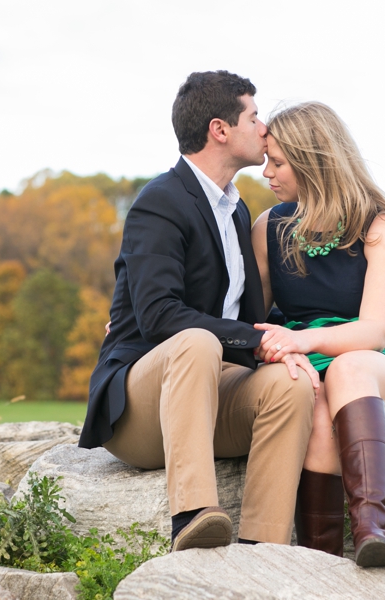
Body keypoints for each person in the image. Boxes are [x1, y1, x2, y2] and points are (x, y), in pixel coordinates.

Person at [78, 71, 317, 551]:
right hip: (141, 409)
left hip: (214, 392)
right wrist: (254, 340)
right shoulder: (160, 202)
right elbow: (161, 318)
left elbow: (250, 313)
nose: (263, 127)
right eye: (253, 115)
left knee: (290, 385)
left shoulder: (238, 211)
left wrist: (289, 344)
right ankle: (192, 515)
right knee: (194, 340)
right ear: (220, 129)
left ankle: (263, 548)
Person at [250, 102, 385, 567]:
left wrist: (303, 342)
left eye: (278, 162)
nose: (266, 172)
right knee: (314, 406)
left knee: (348, 369)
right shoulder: (268, 227)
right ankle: (321, 561)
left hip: (380, 366)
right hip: (310, 364)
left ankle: (373, 530)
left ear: (312, 162)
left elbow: (375, 329)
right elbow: (246, 311)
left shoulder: (380, 226)